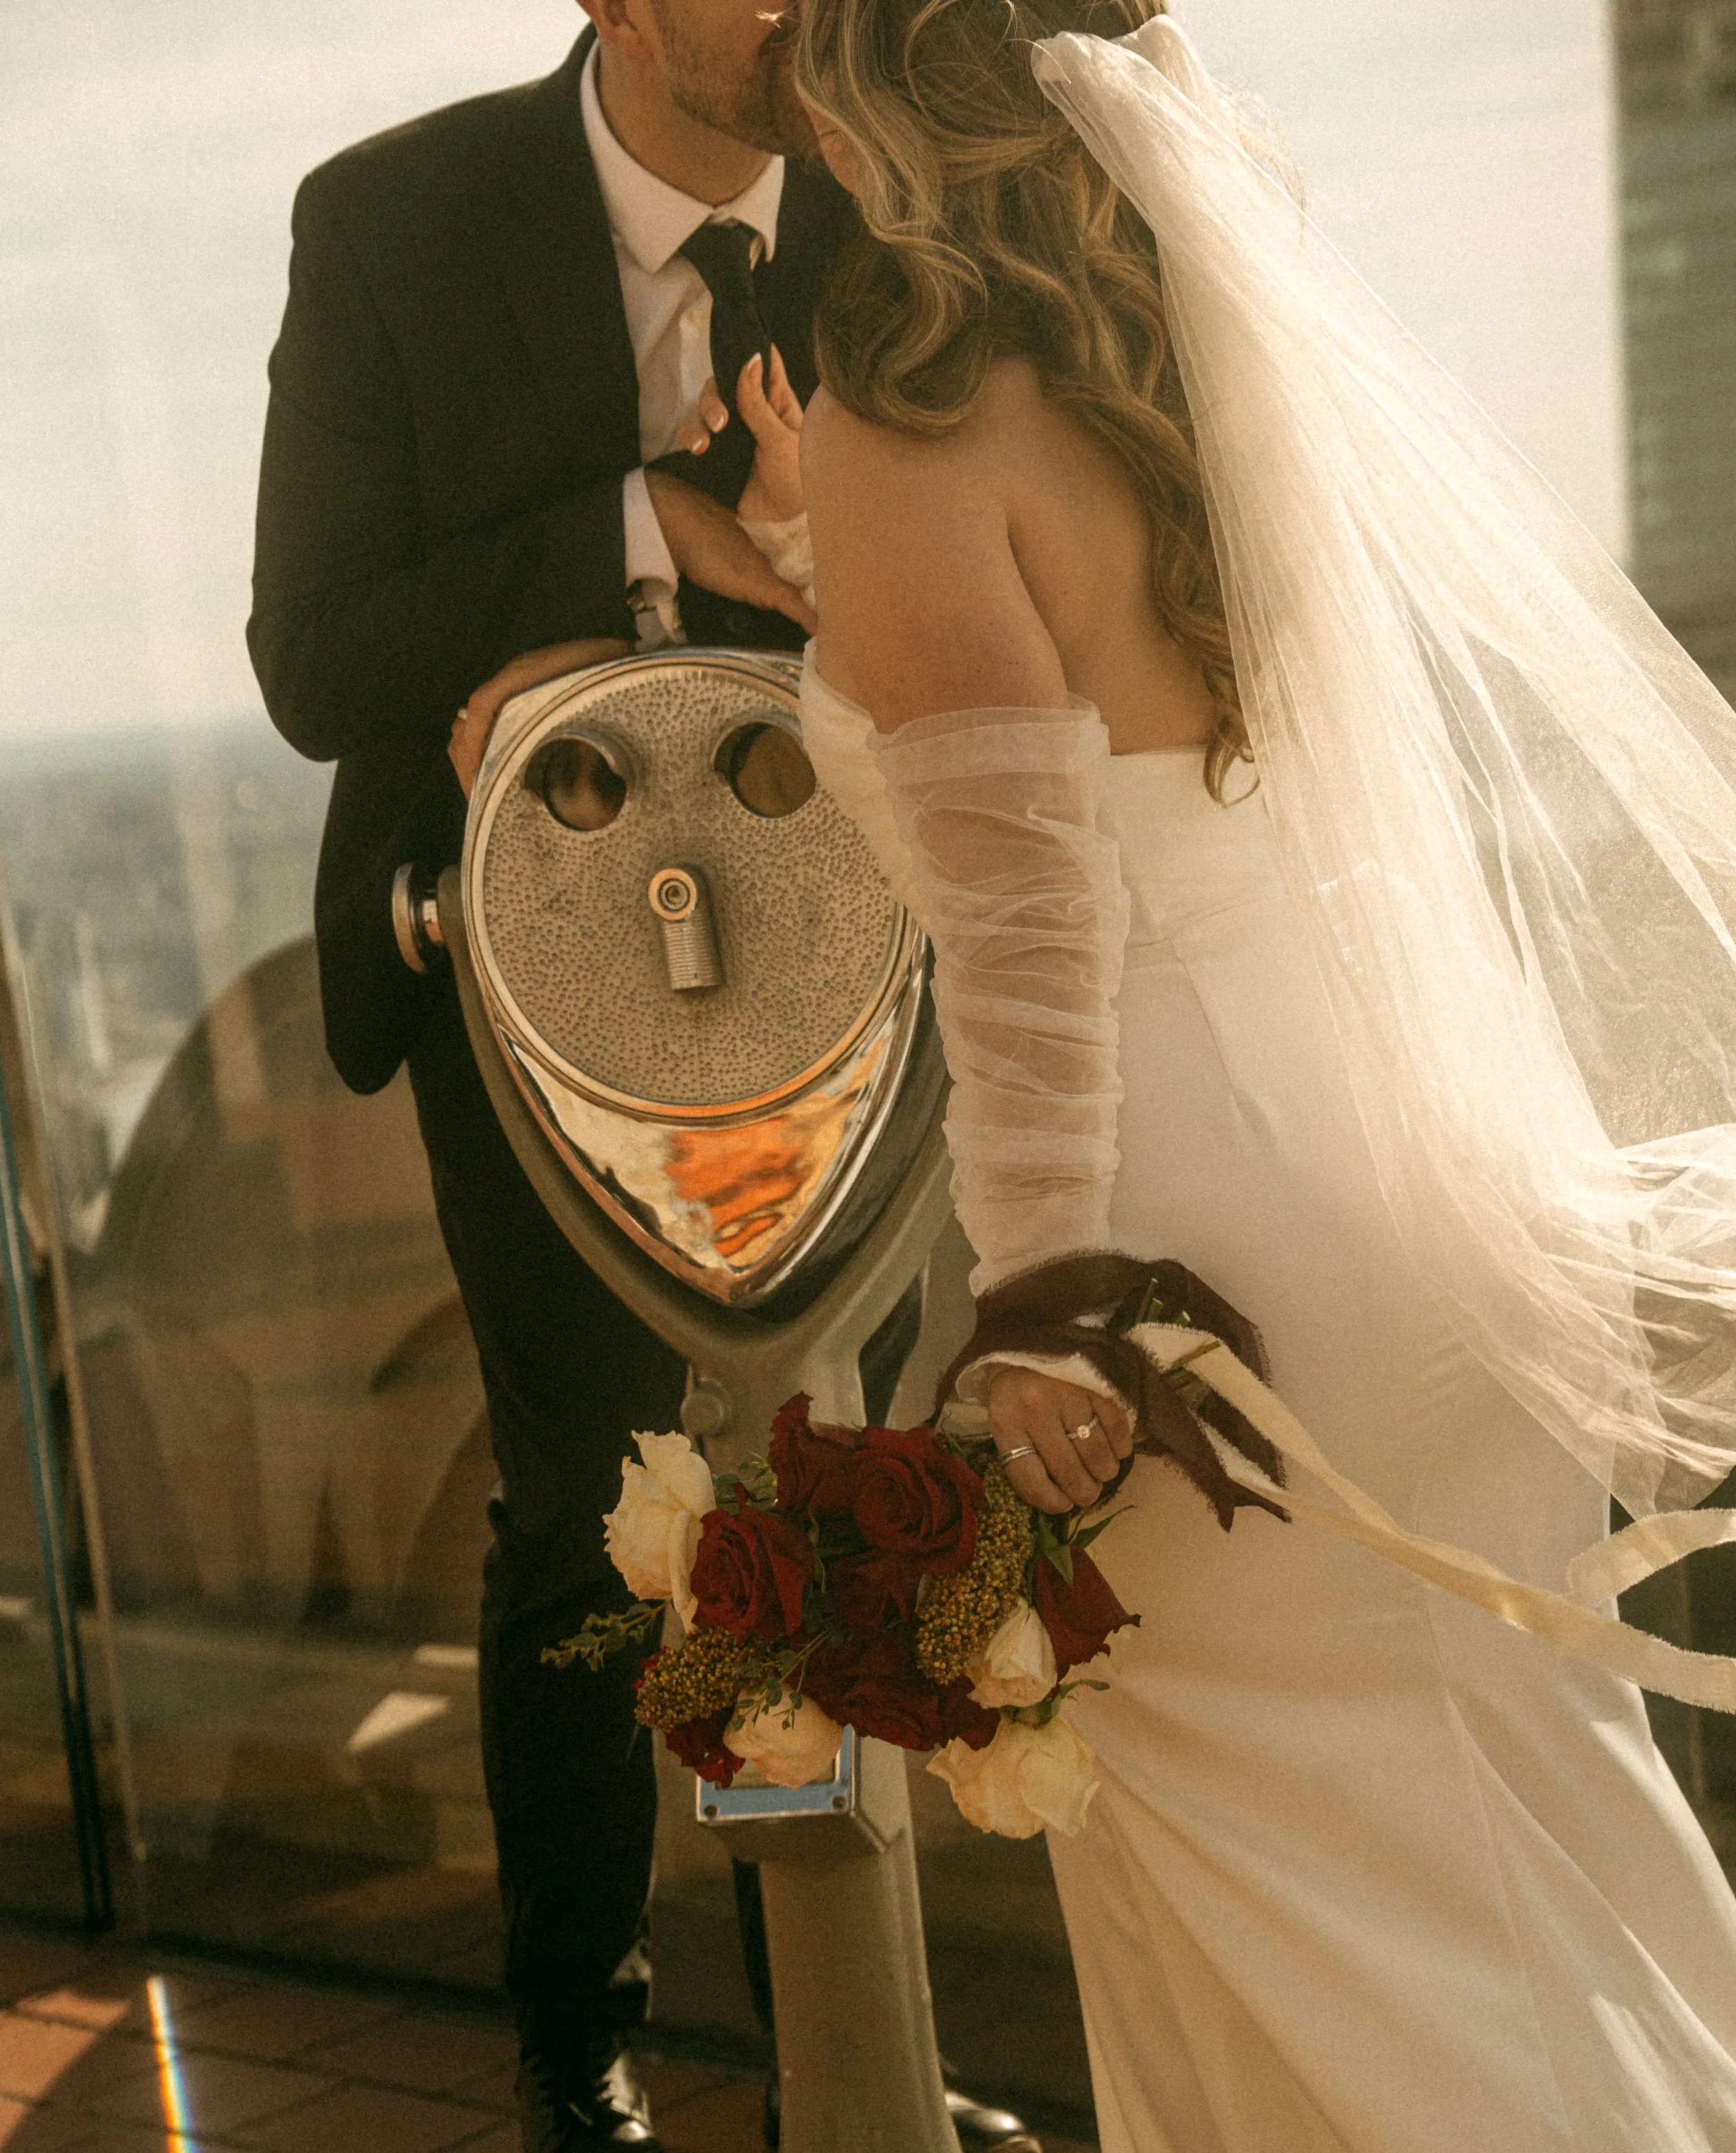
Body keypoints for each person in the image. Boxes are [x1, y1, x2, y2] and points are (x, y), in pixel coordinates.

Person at [740, 0, 1736, 2142]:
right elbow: (1101, 706)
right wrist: (824, 563)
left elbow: (1026, 938)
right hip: (1396, 1181)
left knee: (1279, 1920)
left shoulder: (899, 399)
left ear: (868, 78)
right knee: (1506, 1833)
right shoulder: (1187, 352)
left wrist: (1034, 1307)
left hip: (1176, 1249)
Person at [249, 6, 1036, 2150]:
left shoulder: (903, 202)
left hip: (838, 982)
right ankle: (574, 2049)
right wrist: (640, 536)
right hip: (511, 987)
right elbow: (314, 653)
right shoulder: (390, 222)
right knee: (582, 1521)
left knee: (844, 1489)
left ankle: (846, 2053)